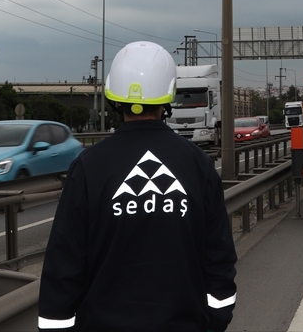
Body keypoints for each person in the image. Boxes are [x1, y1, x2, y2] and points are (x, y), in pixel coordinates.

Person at [38, 41, 237, 331]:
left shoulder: (89, 166)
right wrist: (213, 322)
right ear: (169, 96)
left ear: (113, 99)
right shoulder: (196, 164)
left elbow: (64, 265)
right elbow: (218, 258)